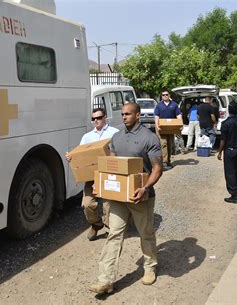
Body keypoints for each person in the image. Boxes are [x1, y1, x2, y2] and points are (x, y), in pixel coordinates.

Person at [89, 102, 163, 294]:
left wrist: (146, 188)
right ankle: (106, 279)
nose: (124, 117)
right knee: (114, 234)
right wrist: (101, 185)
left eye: (128, 114)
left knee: (145, 233)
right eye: (122, 114)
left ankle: (150, 267)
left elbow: (157, 168)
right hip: (119, 198)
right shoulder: (117, 137)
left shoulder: (149, 138)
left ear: (137, 115)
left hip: (141, 196)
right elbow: (111, 167)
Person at [65, 108, 119, 241]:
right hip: (92, 176)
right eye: (93, 118)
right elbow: (80, 154)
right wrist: (71, 157)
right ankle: (96, 224)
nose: (96, 120)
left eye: (99, 117)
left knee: (108, 205)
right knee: (87, 204)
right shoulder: (87, 136)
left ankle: (108, 228)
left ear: (105, 117)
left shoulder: (115, 133)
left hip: (108, 175)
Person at [217, 101, 237, 203]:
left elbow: (223, 140)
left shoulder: (225, 123)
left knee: (230, 173)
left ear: (229, 110)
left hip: (230, 151)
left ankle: (234, 195)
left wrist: (220, 152)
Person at [154, 89, 182, 170]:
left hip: (170, 128)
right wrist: (157, 126)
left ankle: (168, 160)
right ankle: (164, 162)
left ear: (169, 95)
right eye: (163, 95)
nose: (165, 96)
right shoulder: (159, 105)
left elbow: (178, 115)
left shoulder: (174, 105)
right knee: (163, 144)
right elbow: (156, 117)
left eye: (166, 94)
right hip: (161, 127)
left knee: (170, 144)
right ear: (161, 96)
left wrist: (180, 124)